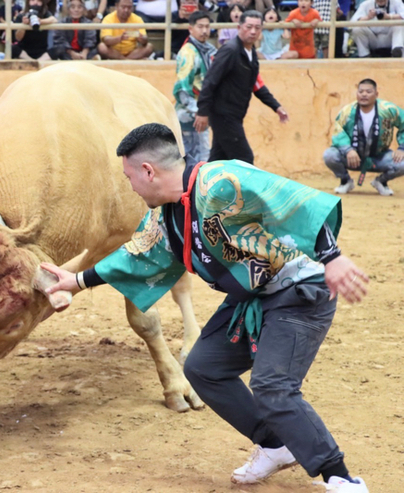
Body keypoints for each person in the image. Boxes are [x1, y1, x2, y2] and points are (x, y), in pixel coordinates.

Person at [41, 123, 371, 493]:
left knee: (272, 386)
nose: (130, 185)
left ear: (148, 171)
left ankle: (340, 475)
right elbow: (137, 256)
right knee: (203, 368)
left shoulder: (221, 180)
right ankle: (274, 446)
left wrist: (333, 258)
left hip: (300, 289)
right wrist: (78, 281)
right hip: (252, 296)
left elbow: (292, 199)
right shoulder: (164, 214)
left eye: (129, 176)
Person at [194, 10, 289, 165]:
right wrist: (203, 111)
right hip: (223, 115)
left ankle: (202, 188)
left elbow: (256, 86)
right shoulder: (230, 51)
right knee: (244, 159)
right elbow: (210, 81)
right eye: (248, 27)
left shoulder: (251, 55)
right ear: (239, 27)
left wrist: (276, 107)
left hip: (234, 115)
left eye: (257, 28)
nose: (253, 31)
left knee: (218, 160)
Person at [323, 79, 404, 196]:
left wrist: (402, 148)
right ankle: (345, 181)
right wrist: (348, 150)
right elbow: (338, 131)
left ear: (376, 94)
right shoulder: (348, 111)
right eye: (361, 91)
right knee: (329, 155)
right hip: (353, 158)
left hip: (379, 157)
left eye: (368, 91)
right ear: (357, 94)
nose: (364, 95)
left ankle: (381, 182)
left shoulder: (388, 110)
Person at [173, 10, 214, 166]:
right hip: (191, 112)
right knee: (193, 159)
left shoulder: (209, 50)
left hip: (203, 111)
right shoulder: (188, 53)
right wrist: (198, 110)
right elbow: (181, 88)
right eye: (200, 26)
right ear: (191, 29)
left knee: (202, 156)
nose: (204, 31)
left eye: (207, 26)